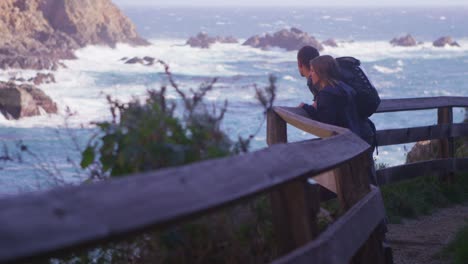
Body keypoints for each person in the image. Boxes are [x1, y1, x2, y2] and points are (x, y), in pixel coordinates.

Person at [299, 55, 377, 184]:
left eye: (312, 70)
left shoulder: (327, 94)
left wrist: (306, 108)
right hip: (362, 136)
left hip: (347, 145)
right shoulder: (344, 88)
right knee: (367, 181)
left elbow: (326, 122)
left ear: (321, 72)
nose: (310, 74)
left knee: (352, 183)